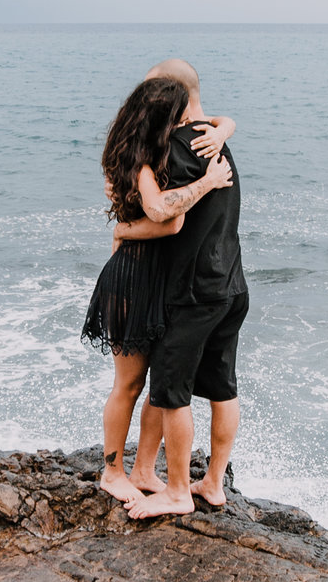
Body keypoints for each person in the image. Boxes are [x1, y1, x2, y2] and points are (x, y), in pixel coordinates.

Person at [82, 74, 234, 508]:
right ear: (161, 117)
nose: (186, 122)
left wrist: (224, 128)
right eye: (178, 115)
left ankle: (145, 468)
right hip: (131, 279)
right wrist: (208, 182)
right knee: (128, 384)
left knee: (159, 385)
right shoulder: (138, 161)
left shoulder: (151, 149)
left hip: (159, 280)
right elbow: (166, 216)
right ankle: (113, 471)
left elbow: (215, 118)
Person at [127, 58, 246, 519]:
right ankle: (213, 483)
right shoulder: (217, 137)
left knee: (171, 391)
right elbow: (222, 121)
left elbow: (167, 216)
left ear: (169, 97)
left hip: (194, 291)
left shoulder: (182, 145)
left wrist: (126, 231)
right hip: (232, 284)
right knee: (222, 387)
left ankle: (177, 491)